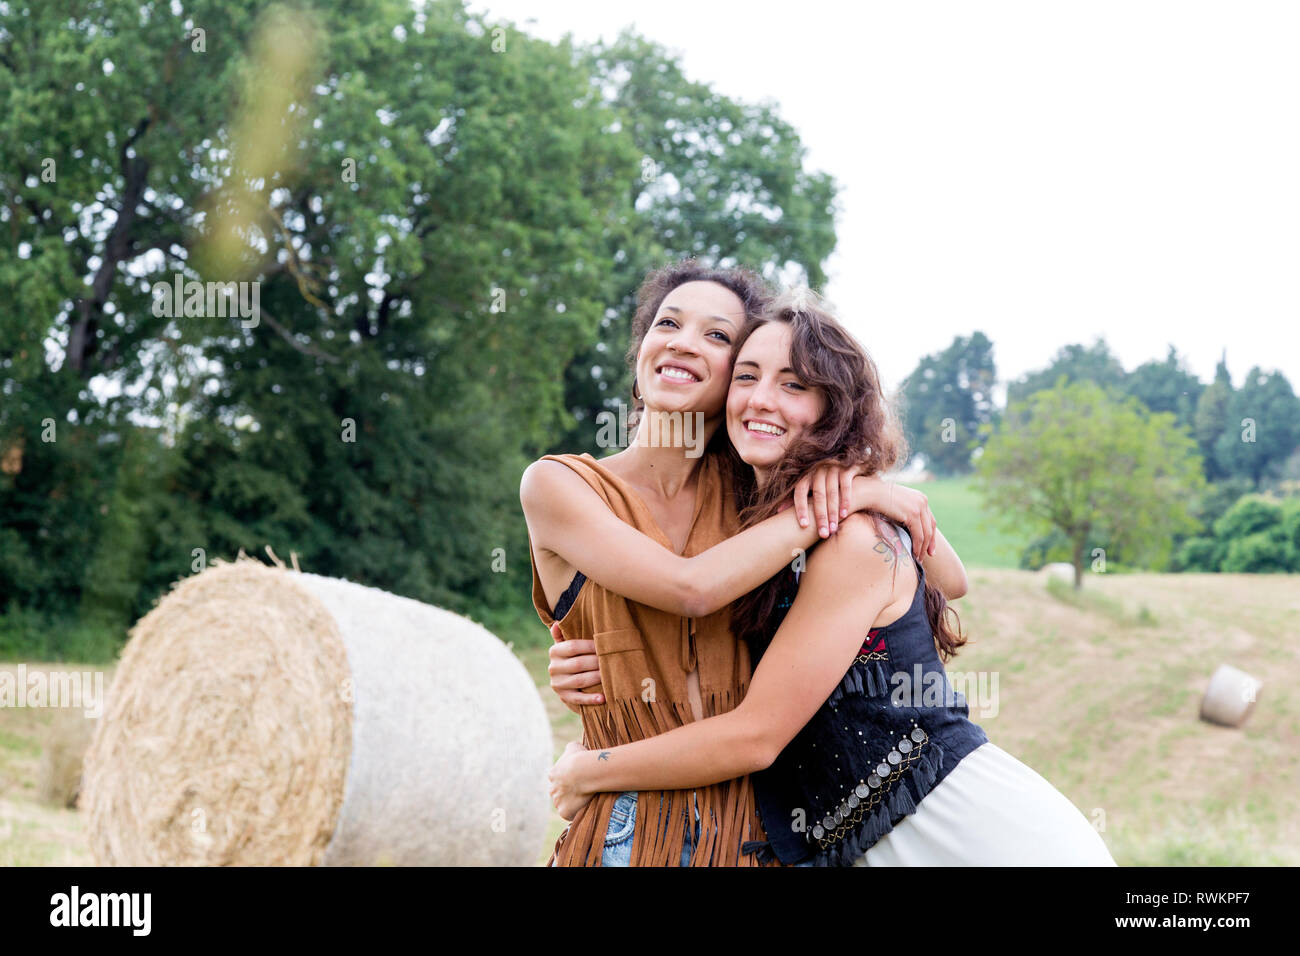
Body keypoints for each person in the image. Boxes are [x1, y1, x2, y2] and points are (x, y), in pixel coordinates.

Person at [546, 288, 1117, 866]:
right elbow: (684, 602)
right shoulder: (762, 519)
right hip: (871, 842)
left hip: (967, 837)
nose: (763, 399)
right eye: (748, 376)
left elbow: (755, 732)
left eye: (794, 384)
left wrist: (588, 772)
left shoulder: (849, 535)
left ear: (833, 407)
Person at [522, 262, 938, 866]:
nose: (685, 341)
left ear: (737, 382)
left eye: (717, 336)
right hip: (627, 827)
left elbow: (948, 578)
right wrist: (860, 495)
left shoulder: (758, 495)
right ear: (640, 356)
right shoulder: (560, 485)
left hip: (759, 835)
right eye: (668, 323)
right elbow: (688, 590)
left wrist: (875, 490)